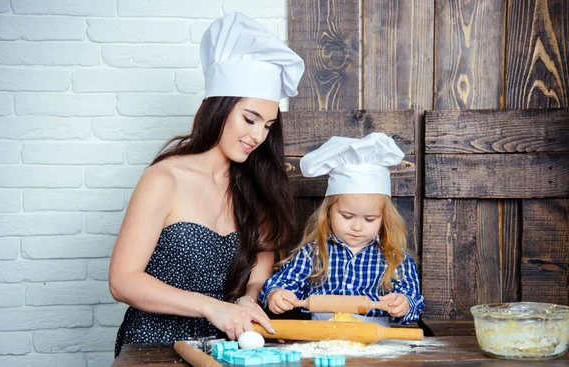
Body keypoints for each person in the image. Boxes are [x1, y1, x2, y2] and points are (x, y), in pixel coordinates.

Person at [109, 12, 305, 357]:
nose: (258, 135)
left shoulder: (257, 187)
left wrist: (247, 298)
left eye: (268, 126)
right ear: (218, 108)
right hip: (151, 345)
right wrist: (211, 306)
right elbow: (123, 280)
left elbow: (260, 265)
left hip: (222, 348)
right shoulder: (164, 178)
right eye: (250, 119)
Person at [258, 133, 425, 327]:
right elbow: (284, 282)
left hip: (375, 338)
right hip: (321, 336)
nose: (356, 226)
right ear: (328, 213)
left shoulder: (395, 258)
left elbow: (414, 299)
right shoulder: (312, 253)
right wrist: (277, 293)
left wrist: (404, 304)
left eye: (369, 219)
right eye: (347, 216)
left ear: (384, 219)